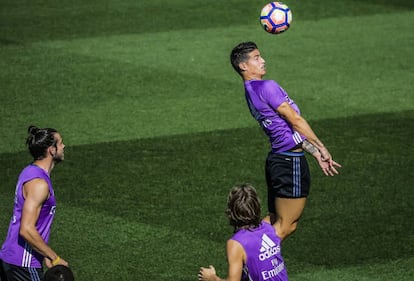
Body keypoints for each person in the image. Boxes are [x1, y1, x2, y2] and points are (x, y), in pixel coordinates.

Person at [230, 42, 341, 240]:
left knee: (275, 220)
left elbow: (285, 131)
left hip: (278, 160)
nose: (263, 60)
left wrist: (313, 152)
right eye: (256, 57)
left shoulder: (251, 90)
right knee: (286, 226)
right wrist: (322, 147)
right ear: (243, 66)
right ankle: (247, 259)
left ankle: (243, 242)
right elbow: (295, 121)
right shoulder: (266, 87)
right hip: (290, 163)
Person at [0, 125, 68, 281]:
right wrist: (54, 257)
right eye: (60, 143)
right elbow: (26, 229)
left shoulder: (29, 171)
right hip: (23, 262)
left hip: (10, 257)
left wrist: (43, 253)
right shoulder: (39, 184)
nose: (63, 146)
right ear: (52, 149)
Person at [198, 184, 288, 281]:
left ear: (231, 212)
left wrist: (212, 278)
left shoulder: (236, 243)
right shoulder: (269, 227)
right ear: (257, 207)